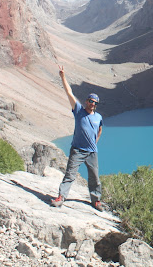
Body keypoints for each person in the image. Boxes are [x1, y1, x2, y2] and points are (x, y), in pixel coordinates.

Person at [51, 65, 104, 211]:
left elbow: (99, 130)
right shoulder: (79, 111)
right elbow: (69, 93)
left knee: (94, 177)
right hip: (78, 150)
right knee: (70, 174)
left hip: (92, 152)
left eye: (95, 103)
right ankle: (61, 197)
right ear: (86, 101)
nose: (92, 104)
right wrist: (62, 76)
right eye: (90, 101)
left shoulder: (98, 117)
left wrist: (95, 142)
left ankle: (96, 200)